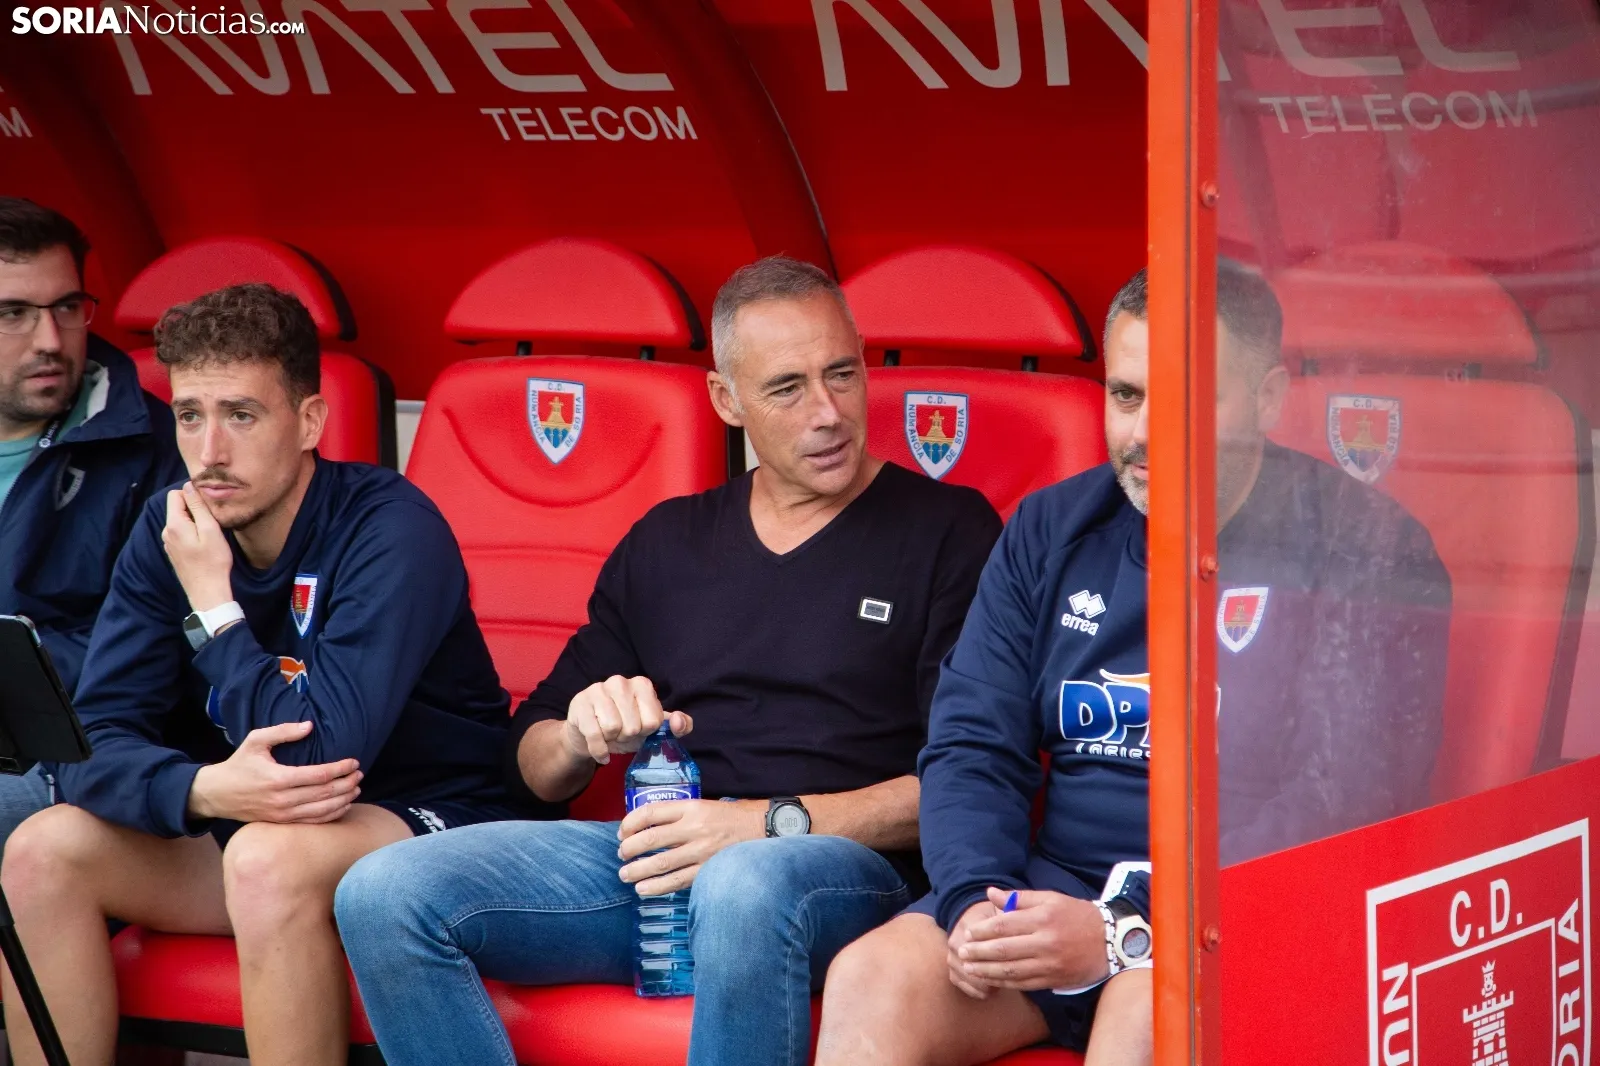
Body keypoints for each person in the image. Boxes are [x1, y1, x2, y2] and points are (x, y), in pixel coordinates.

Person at [333, 256, 1003, 1066]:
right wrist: (579, 736)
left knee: (743, 884)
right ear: (727, 400)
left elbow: (964, 784)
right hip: (665, 856)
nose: (828, 413)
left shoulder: (949, 530)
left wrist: (757, 825)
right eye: (787, 389)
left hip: (843, 871)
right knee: (382, 892)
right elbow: (528, 767)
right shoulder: (668, 541)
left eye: (842, 375)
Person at [815, 261, 1450, 1065]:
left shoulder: (1366, 550)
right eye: (1125, 395)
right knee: (870, 978)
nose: (1145, 432)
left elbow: (1342, 798)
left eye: (1182, 397)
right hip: (1057, 896)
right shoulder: (1053, 528)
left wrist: (1127, 925)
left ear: (1267, 400)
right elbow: (973, 741)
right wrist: (976, 900)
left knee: (1143, 1011)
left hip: (1242, 917)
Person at [0, 283, 539, 1066]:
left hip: (431, 818)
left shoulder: (391, 527)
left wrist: (215, 609)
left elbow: (318, 759)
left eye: (242, 416)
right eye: (190, 416)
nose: (210, 452)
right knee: (42, 850)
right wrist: (202, 790)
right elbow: (89, 748)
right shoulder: (170, 525)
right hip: (253, 816)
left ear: (310, 422)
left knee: (265, 859)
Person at [0, 199, 185, 849]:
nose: (51, 341)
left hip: (68, 753)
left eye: (67, 307)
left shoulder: (156, 449)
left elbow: (153, 644)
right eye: (14, 313)